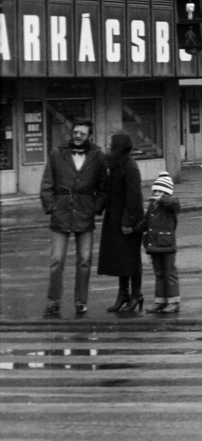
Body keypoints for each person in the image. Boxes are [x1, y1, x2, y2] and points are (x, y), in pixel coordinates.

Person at [41, 121, 106, 318]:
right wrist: (51, 206)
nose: (78, 136)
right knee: (56, 260)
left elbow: (103, 186)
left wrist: (95, 208)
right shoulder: (57, 153)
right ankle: (53, 302)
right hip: (61, 213)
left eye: (82, 133)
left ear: (89, 136)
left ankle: (81, 302)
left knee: (85, 261)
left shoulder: (97, 155)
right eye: (75, 132)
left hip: (84, 215)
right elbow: (46, 182)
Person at [97, 133, 146, 314]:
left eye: (112, 145)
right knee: (121, 258)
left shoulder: (129, 166)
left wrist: (127, 222)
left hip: (129, 220)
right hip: (116, 218)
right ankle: (123, 294)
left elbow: (133, 197)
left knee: (131, 258)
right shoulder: (116, 165)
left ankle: (136, 294)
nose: (110, 148)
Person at [142, 171, 181, 315]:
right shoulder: (152, 206)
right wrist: (136, 228)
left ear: (167, 193)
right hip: (154, 245)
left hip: (167, 245)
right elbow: (146, 223)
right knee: (159, 274)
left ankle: (173, 302)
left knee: (169, 273)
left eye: (161, 191)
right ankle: (160, 301)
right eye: (155, 191)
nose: (157, 193)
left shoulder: (170, 205)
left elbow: (174, 205)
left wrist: (163, 198)